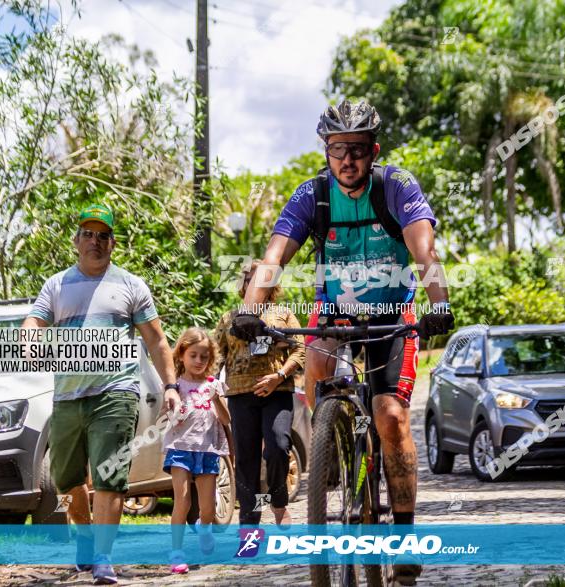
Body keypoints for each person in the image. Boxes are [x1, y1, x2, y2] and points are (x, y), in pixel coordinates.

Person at [229, 99, 454, 585]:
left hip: (392, 312)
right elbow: (274, 256)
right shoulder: (312, 195)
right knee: (316, 370)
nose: (346, 160)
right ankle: (332, 442)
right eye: (337, 150)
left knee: (390, 415)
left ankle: (405, 537)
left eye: (356, 150)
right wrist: (250, 309)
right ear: (326, 152)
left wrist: (438, 301)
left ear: (373, 150)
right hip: (334, 310)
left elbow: (424, 247)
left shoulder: (396, 186)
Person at [22, 204, 181, 585]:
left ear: (113, 243)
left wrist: (171, 386)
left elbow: (157, 340)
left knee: (110, 477)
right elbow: (36, 319)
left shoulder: (131, 285)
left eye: (103, 235)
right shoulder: (57, 285)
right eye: (88, 234)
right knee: (66, 478)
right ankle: (85, 536)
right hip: (67, 397)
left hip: (116, 393)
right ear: (76, 241)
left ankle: (103, 558)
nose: (95, 241)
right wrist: (29, 335)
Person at [215, 260, 306, 526]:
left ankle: (279, 504)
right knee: (246, 459)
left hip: (277, 392)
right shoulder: (228, 319)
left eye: (259, 279)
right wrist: (206, 388)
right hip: (240, 395)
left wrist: (278, 376)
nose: (253, 284)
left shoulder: (284, 314)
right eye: (248, 279)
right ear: (243, 286)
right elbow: (216, 355)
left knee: (278, 447)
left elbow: (300, 351)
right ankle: (249, 523)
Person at [164, 327, 230, 575]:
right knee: (182, 501)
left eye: (204, 357)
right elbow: (170, 421)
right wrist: (178, 407)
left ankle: (205, 528)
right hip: (179, 448)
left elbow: (226, 419)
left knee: (208, 509)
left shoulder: (214, 385)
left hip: (207, 450)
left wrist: (215, 399)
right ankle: (176, 552)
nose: (199, 361)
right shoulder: (175, 387)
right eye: (193, 355)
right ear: (182, 354)